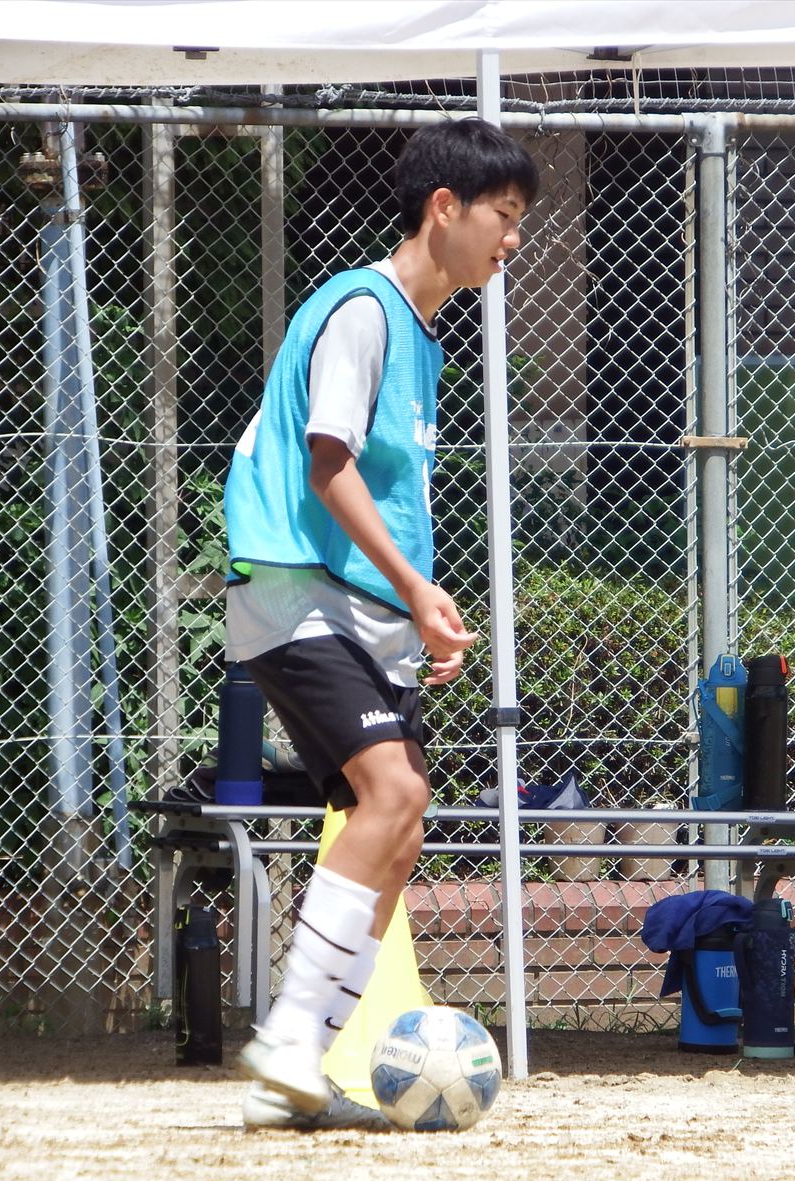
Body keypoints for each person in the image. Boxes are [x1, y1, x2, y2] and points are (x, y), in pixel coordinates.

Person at [221, 118, 539, 1129]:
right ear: (444, 208)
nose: (513, 240)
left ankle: (293, 1075)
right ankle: (287, 1038)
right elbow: (329, 465)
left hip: (349, 605)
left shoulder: (419, 334)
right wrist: (416, 590)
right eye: (503, 215)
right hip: (293, 590)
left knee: (398, 826)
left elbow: (386, 504)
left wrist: (414, 619)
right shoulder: (362, 309)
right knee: (392, 792)